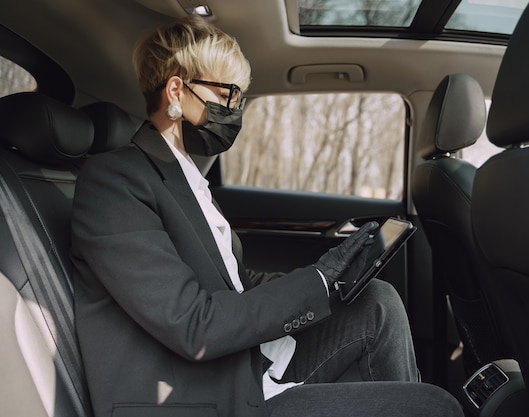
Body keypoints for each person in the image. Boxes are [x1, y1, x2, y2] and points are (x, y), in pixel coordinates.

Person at [70, 15, 463, 417]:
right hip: (189, 393)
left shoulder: (186, 178)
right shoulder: (113, 184)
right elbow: (193, 325)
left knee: (378, 302)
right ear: (176, 90)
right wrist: (319, 278)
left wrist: (331, 281)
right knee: (436, 407)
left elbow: (237, 284)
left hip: (237, 363)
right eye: (227, 95)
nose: (234, 110)